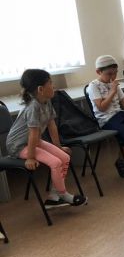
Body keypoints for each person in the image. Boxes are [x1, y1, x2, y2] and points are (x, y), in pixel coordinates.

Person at [5, 69, 87, 209]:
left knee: (64, 157)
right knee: (55, 162)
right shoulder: (33, 107)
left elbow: (51, 125)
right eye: (50, 82)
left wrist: (58, 146)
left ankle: (53, 197)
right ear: (40, 89)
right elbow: (32, 134)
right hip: (18, 146)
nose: (53, 85)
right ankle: (63, 194)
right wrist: (30, 158)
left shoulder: (46, 101)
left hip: (34, 141)